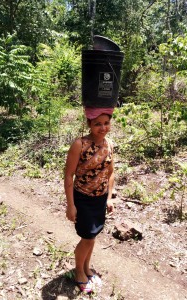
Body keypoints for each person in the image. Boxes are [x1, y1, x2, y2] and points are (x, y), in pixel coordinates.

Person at [64, 107, 115, 293]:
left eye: (106, 123)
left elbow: (110, 173)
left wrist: (109, 198)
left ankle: (86, 267)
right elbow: (69, 175)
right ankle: (79, 271)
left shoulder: (109, 144)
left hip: (99, 199)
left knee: (92, 236)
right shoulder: (80, 144)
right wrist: (71, 205)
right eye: (98, 124)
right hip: (83, 198)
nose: (103, 128)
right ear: (89, 125)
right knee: (87, 237)